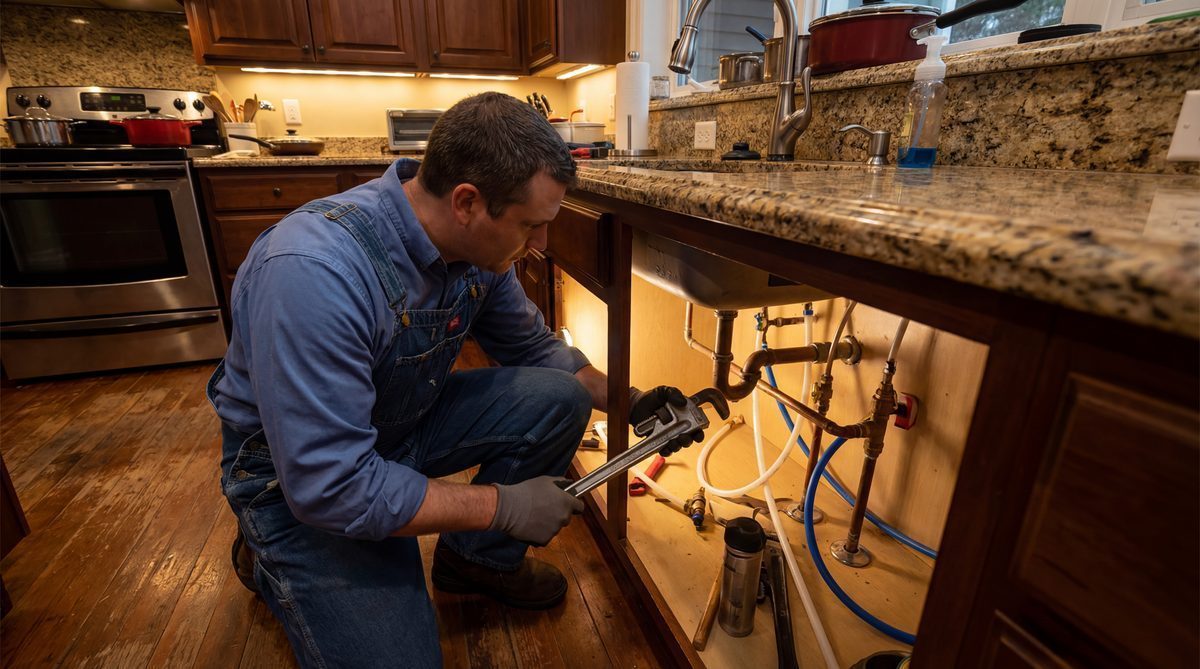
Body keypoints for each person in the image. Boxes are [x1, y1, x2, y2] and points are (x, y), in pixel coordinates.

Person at [206, 92, 699, 668]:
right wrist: (499, 507)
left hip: (397, 427)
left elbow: (537, 350)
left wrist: (630, 401)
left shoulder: (478, 252)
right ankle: (268, 550)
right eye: (531, 226)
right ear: (467, 201)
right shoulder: (313, 273)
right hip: (299, 485)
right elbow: (332, 484)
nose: (540, 245)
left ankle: (475, 562)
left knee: (559, 398)